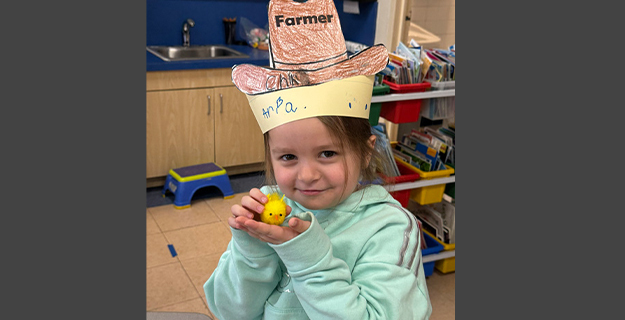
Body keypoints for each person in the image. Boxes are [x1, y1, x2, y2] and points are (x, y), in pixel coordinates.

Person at [204, 1, 432, 319]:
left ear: (366, 151)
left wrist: (307, 258)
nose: (307, 175)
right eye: (288, 157)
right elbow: (229, 311)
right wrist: (252, 250)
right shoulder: (271, 205)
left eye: (327, 153)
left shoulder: (389, 229)